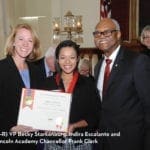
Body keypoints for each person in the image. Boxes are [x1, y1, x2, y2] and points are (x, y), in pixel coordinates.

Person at [93, 18, 150, 150]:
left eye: (107, 32)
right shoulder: (98, 66)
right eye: (97, 33)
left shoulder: (137, 61)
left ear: (118, 34)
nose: (101, 37)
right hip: (103, 139)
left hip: (130, 141)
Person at [41, 40, 101, 150]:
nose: (67, 62)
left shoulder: (88, 83)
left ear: (77, 59)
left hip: (80, 143)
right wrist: (45, 126)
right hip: (54, 143)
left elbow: (95, 115)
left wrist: (74, 125)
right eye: (63, 57)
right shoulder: (47, 83)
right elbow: (40, 113)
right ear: (57, 60)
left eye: (72, 57)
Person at [0, 23, 43, 150]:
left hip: (31, 140)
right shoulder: (1, 68)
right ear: (13, 42)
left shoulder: (37, 71)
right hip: (7, 140)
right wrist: (10, 127)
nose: (25, 44)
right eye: (21, 39)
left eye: (30, 40)